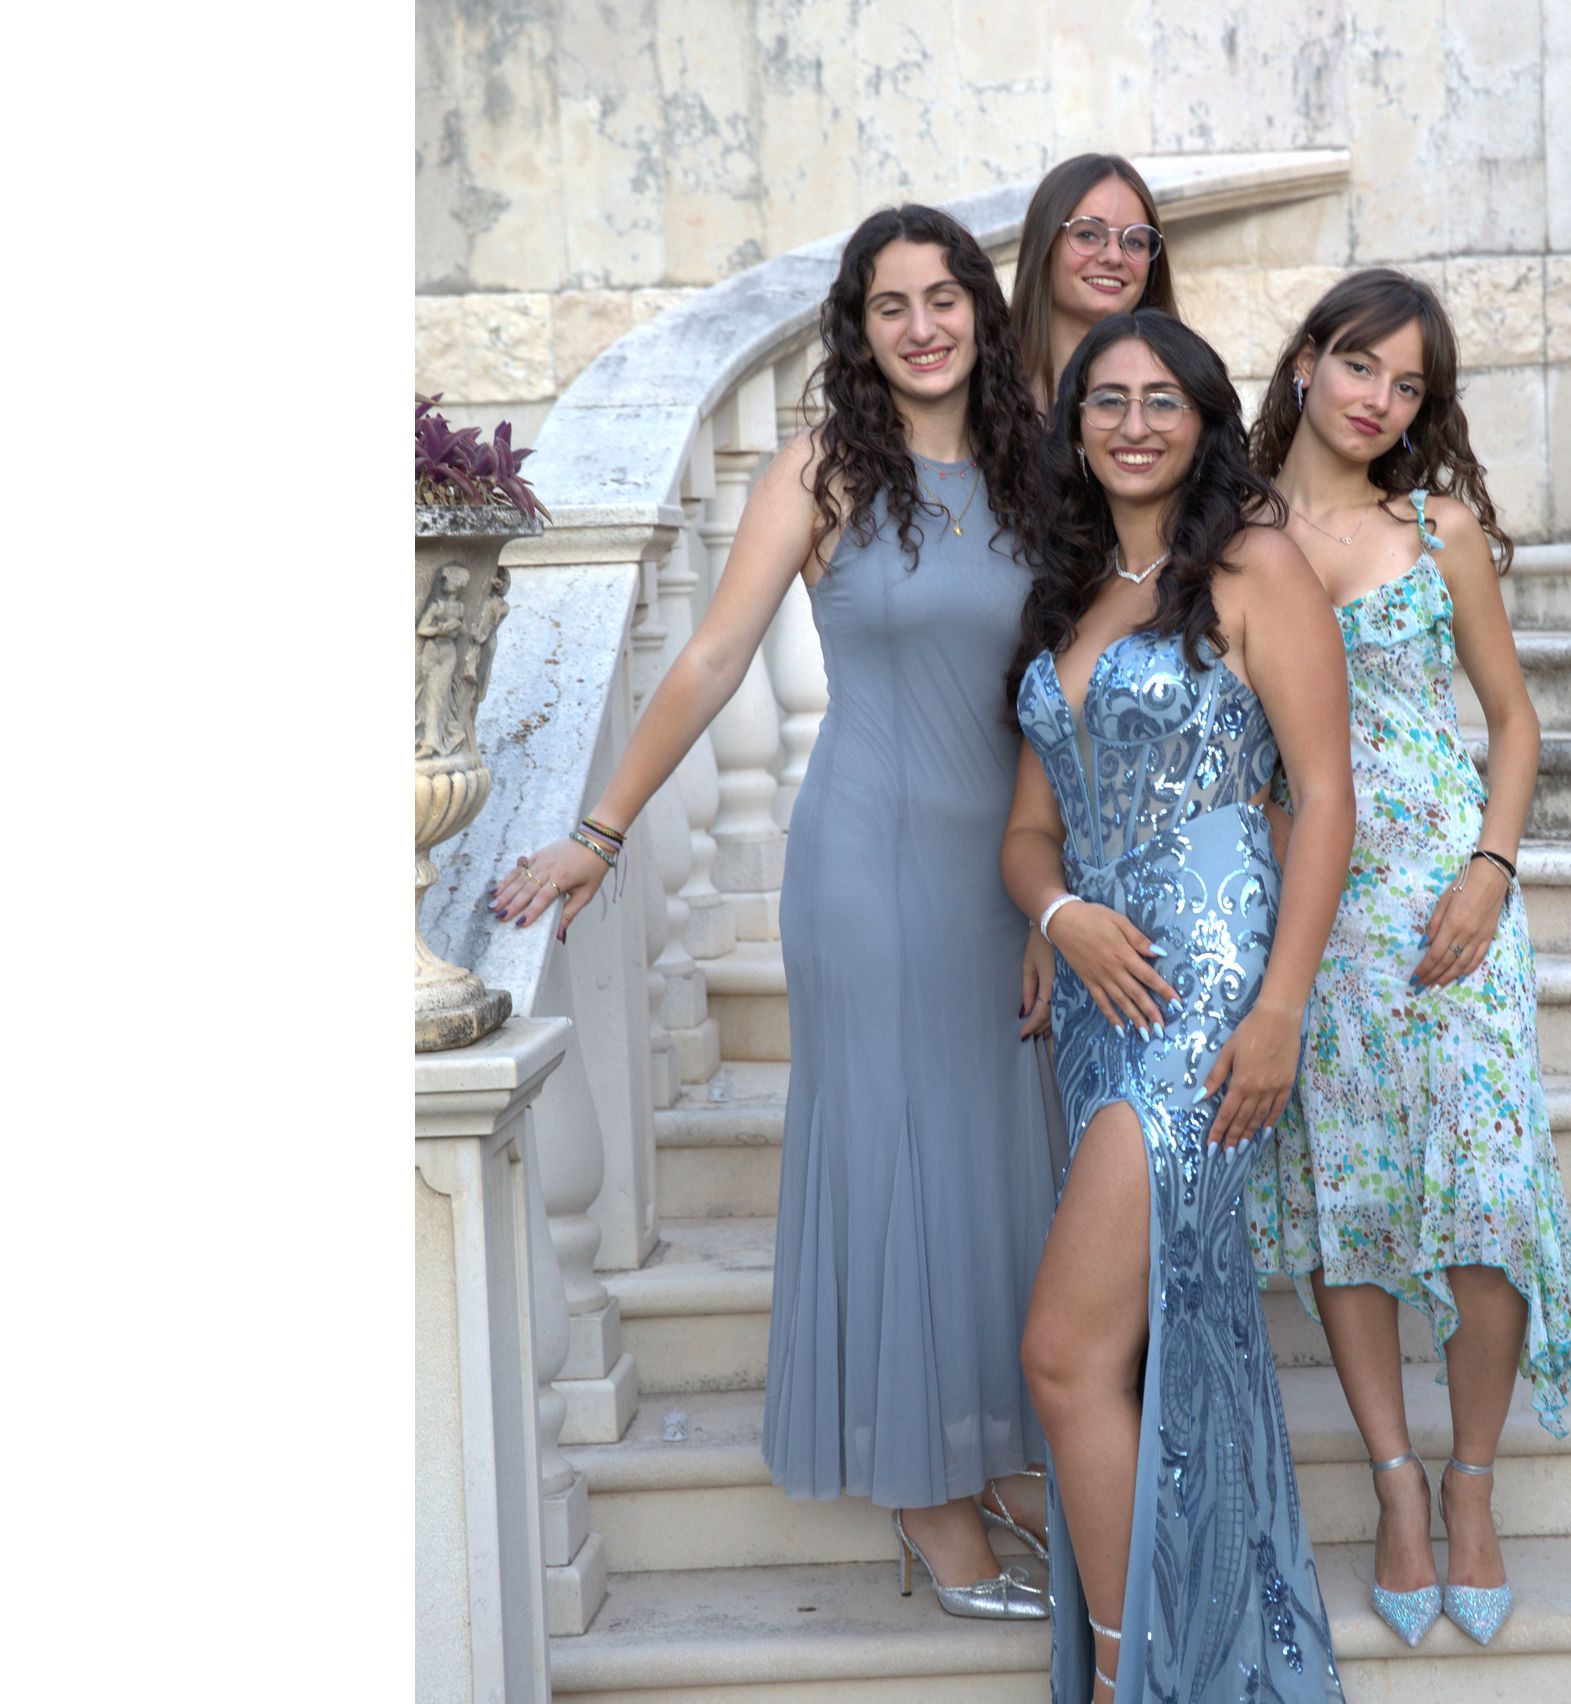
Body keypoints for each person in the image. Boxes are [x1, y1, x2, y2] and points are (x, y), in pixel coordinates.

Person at [488, 204, 1060, 1621]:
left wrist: (1065, 896)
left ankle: (985, 1454)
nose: (922, 327)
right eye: (889, 305)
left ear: (981, 311)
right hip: (870, 865)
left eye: (944, 298)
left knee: (996, 1167)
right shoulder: (821, 470)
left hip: (1008, 873)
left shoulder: (1035, 464)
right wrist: (600, 832)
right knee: (901, 1162)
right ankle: (928, 1504)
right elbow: (711, 656)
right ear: (854, 330)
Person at [1244, 269, 1571, 1649]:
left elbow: (1513, 721)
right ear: (1305, 364)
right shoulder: (1231, 531)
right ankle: (1395, 1484)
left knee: (1486, 1192)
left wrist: (1492, 868)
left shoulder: (1437, 528)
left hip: (1450, 910)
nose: (1379, 400)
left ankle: (1471, 1482)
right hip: (1314, 914)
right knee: (1351, 1195)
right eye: (1360, 366)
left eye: (1408, 386)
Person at [1002, 308, 1355, 1703]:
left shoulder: (1256, 565)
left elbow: (1323, 797)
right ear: (1075, 424)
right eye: (1107, 398)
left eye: (1163, 399)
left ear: (1206, 421)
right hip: (1098, 990)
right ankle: (1178, 1654)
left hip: (1207, 989)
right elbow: (1029, 832)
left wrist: (1280, 1010)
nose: (1134, 422)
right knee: (1143, 1342)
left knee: (1064, 1353)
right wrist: (1058, 916)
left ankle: (1120, 1677)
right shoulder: (1069, 590)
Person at [1009, 153, 1179, 407]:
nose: (1114, 257)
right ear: (1045, 243)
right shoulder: (979, 383)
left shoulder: (1184, 396)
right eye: (1088, 234)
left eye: (1135, 241)